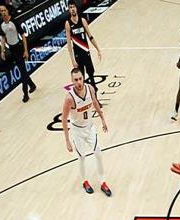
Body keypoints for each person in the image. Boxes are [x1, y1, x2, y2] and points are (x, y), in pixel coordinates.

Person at [62, 68, 112, 196]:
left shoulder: (90, 89)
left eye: (80, 79)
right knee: (82, 157)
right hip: (77, 131)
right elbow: (64, 119)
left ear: (83, 78)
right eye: (76, 80)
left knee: (98, 153)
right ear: (72, 81)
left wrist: (102, 119)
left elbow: (95, 102)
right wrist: (67, 141)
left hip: (89, 127)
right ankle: (85, 181)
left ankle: (103, 182)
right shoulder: (69, 98)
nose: (79, 82)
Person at [0, 4, 36, 103]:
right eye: (1, 11)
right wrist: (2, 51)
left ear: (7, 11)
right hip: (12, 49)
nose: (3, 12)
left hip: (19, 47)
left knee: (22, 72)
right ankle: (32, 85)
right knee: (22, 70)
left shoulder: (14, 22)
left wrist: (26, 50)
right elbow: (3, 38)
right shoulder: (1, 25)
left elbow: (23, 36)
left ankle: (25, 94)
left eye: (4, 10)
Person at [65, 0, 102, 93]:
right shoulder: (68, 24)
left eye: (73, 7)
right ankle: (85, 97)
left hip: (86, 52)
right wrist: (73, 60)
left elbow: (90, 36)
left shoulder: (83, 20)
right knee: (81, 78)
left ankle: (95, 94)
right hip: (78, 55)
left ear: (76, 8)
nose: (72, 9)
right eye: (70, 7)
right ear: (69, 10)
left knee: (91, 75)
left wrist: (98, 49)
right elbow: (69, 44)